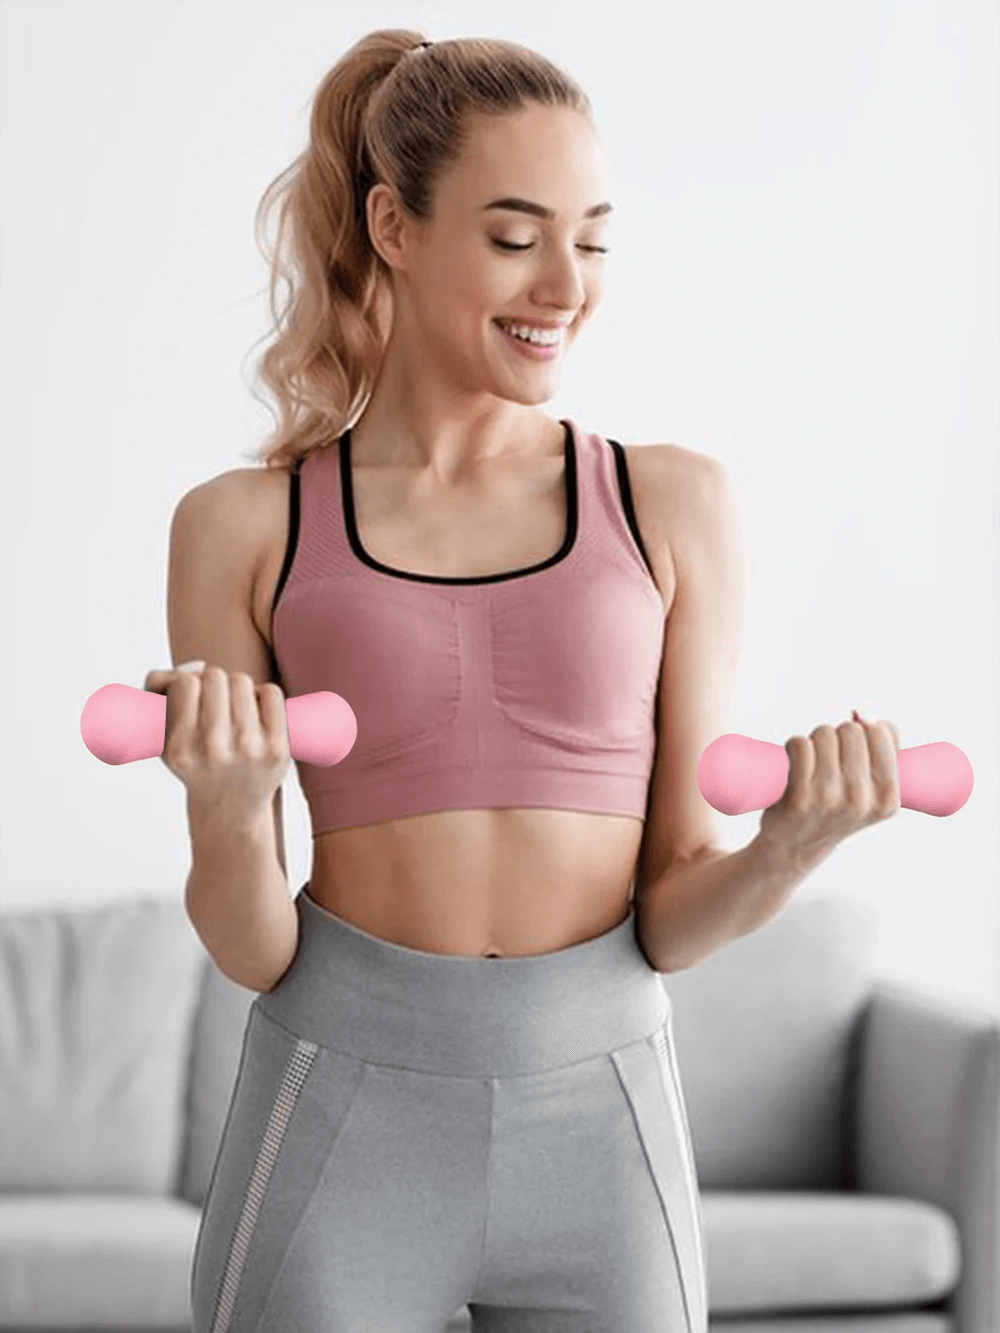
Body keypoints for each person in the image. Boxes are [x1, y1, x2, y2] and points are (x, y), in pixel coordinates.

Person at [145, 28, 899, 1333]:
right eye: (514, 236)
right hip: (338, 1101)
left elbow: (669, 912)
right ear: (393, 225)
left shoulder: (670, 502)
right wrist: (223, 805)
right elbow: (254, 947)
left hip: (601, 1113)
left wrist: (792, 844)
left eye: (593, 239)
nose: (567, 284)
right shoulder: (246, 527)